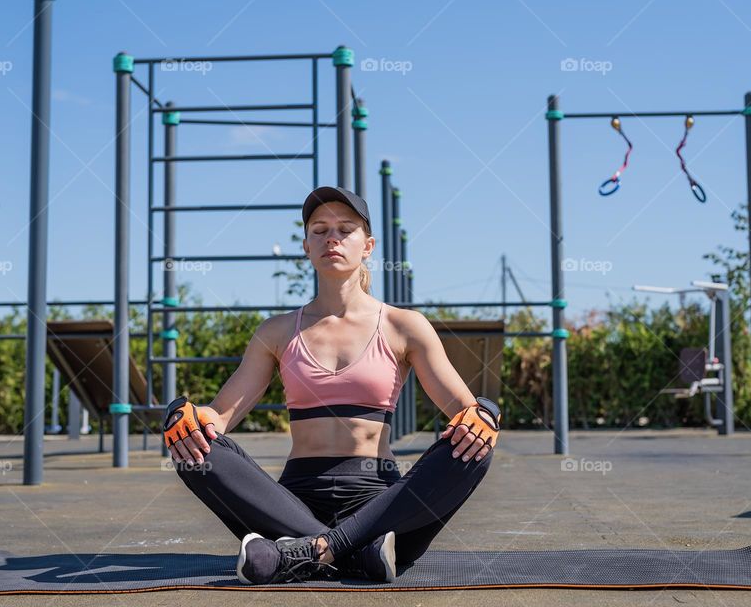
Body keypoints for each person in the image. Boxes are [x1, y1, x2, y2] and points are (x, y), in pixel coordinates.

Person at [163, 186, 500, 585]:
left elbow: (466, 410)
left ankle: (303, 553)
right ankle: (355, 554)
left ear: (368, 245)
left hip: (381, 503)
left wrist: (486, 414)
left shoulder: (404, 326)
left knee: (474, 445)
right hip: (291, 502)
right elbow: (219, 416)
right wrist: (184, 418)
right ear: (307, 246)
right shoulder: (276, 331)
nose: (332, 238)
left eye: (345, 229)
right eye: (319, 230)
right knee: (192, 450)